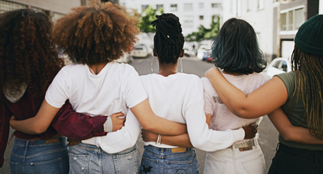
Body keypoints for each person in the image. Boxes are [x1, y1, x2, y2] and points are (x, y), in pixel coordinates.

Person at [9, 2, 190, 173]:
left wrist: (13, 122)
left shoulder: (66, 73)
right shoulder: (126, 73)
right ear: (117, 39)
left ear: (74, 39)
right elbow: (149, 122)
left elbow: (39, 124)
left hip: (81, 156)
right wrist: (188, 129)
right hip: (121, 158)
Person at [0, 8, 127, 174]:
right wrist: (103, 124)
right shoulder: (49, 74)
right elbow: (63, 119)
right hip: (48, 151)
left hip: (18, 151)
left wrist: (13, 124)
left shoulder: (5, 75)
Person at [138, 14, 257, 174]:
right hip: (182, 161)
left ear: (154, 52)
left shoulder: (140, 82)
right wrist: (241, 133)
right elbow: (198, 137)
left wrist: (156, 137)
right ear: (182, 53)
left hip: (150, 160)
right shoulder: (192, 82)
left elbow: (139, 131)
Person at [204, 15, 323, 174]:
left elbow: (244, 107)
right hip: (251, 157)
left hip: (293, 163)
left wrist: (212, 73)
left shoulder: (288, 82)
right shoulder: (263, 81)